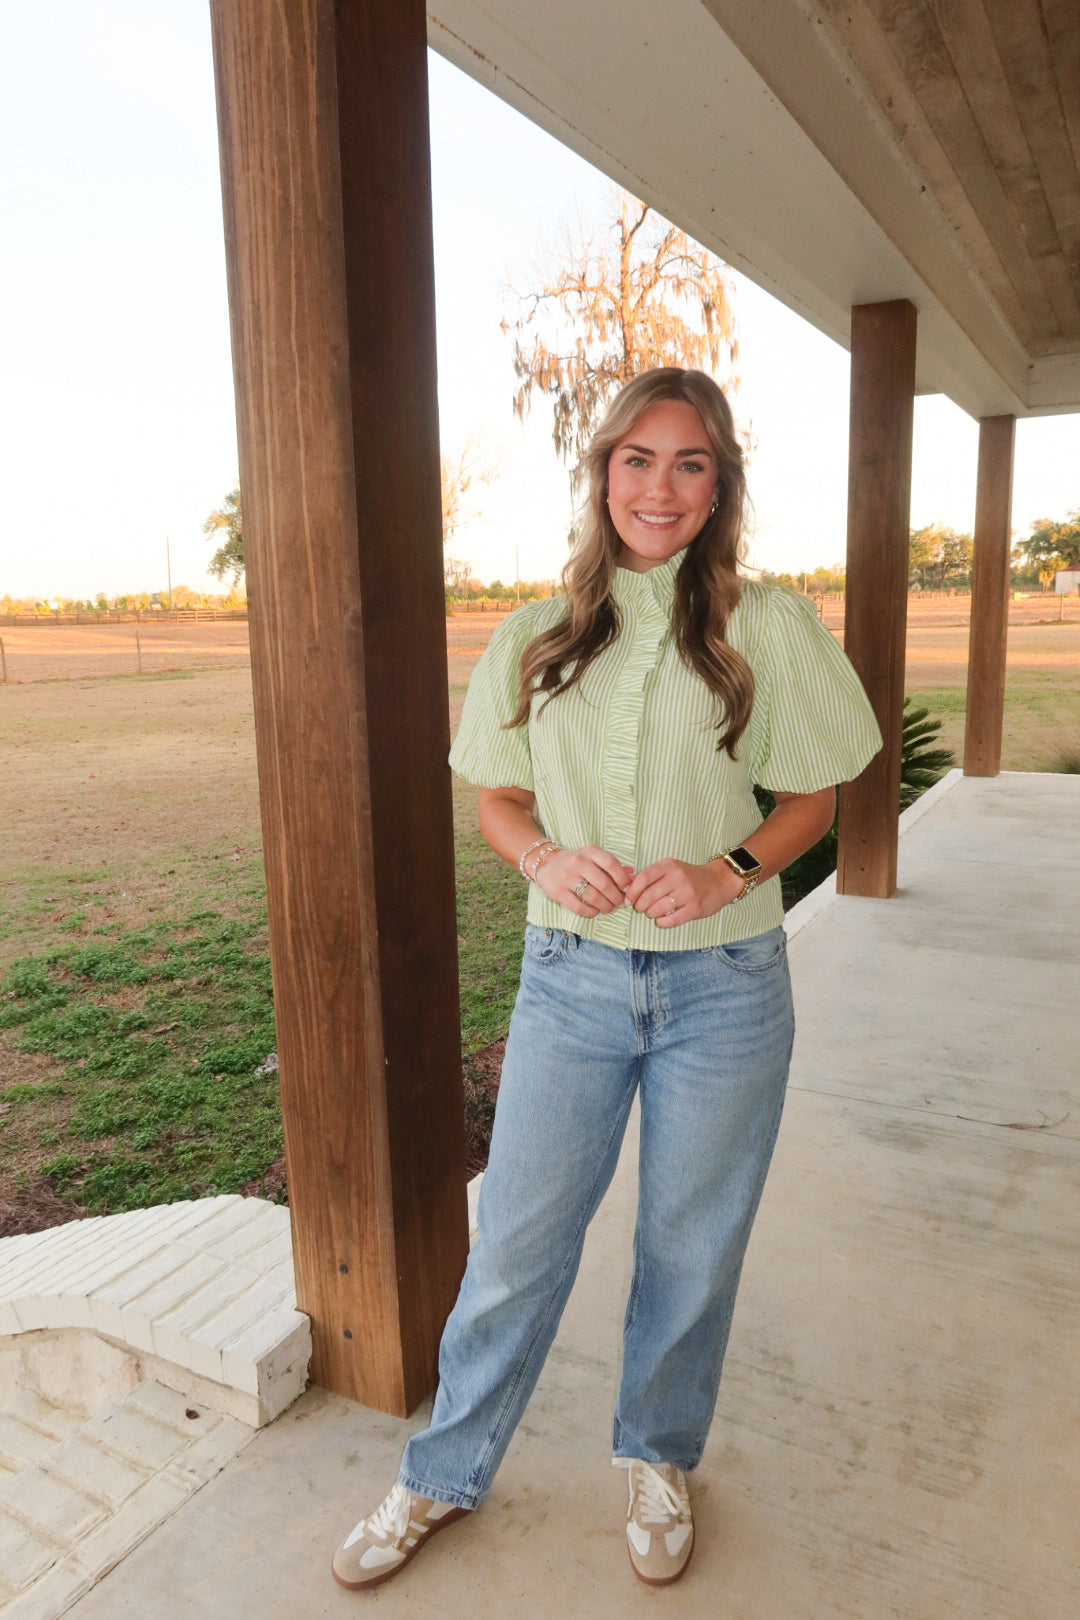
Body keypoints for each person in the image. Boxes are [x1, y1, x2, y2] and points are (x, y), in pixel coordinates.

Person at [331, 367, 882, 1592]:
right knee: (518, 1244)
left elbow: (816, 795)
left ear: (720, 482)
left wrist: (730, 870)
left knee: (692, 1247)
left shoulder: (767, 623)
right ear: (603, 475)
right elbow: (496, 794)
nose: (661, 486)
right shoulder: (536, 632)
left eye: (690, 463)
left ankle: (658, 1456)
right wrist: (542, 854)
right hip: (571, 983)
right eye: (638, 459)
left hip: (727, 989)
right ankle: (439, 1471)